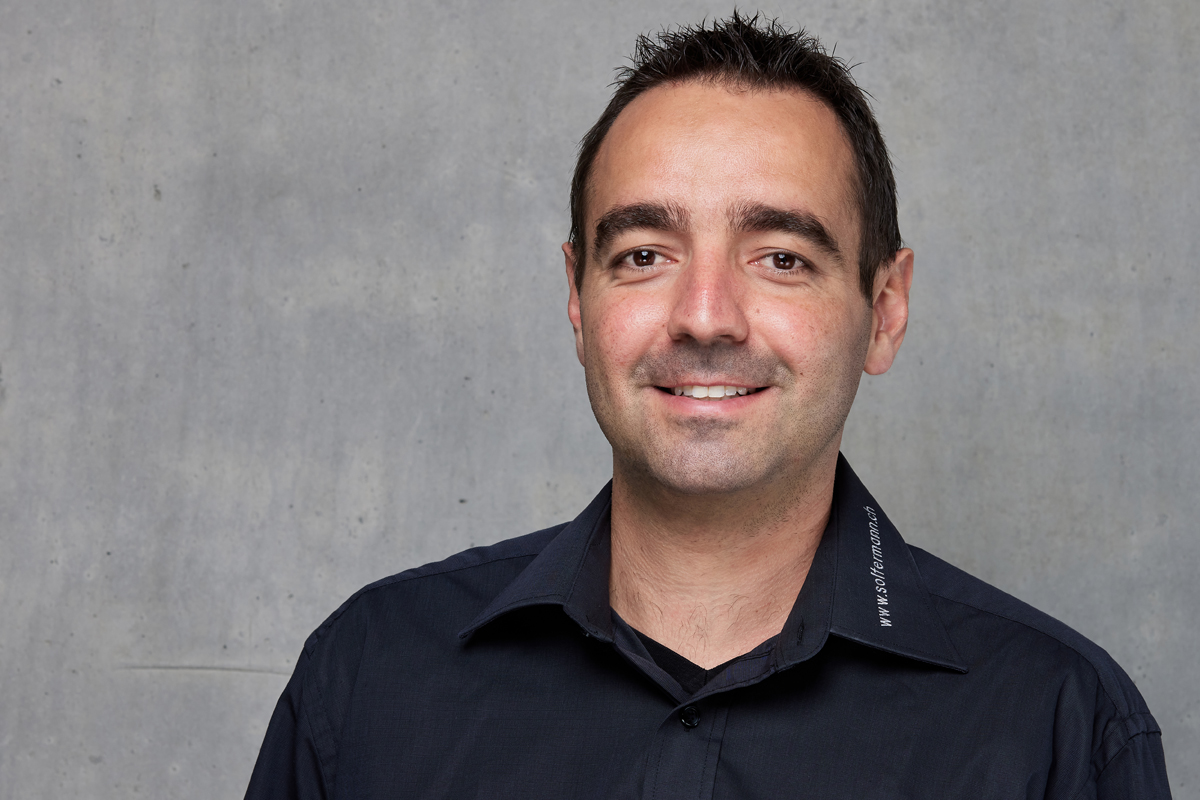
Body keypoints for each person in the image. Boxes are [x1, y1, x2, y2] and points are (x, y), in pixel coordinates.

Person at [245, 14, 1171, 798]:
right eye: (644, 254)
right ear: (578, 299)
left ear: (884, 311)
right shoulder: (371, 678)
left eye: (782, 258)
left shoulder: (1060, 729)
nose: (704, 317)